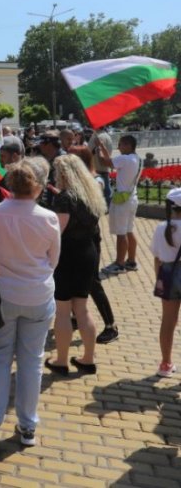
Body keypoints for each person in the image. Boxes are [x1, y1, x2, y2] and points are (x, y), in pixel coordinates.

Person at [0, 159, 60, 447]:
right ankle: (27, 426)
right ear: (38, 186)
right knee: (31, 361)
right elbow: (54, 261)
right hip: (37, 294)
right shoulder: (48, 217)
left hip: (3, 295)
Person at [45, 154, 106, 377]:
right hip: (87, 252)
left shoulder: (65, 197)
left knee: (63, 310)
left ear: (63, 173)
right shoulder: (90, 194)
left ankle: (61, 361)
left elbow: (57, 232)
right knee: (82, 307)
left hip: (68, 255)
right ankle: (88, 359)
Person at [68, 145, 119, 344]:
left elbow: (91, 208)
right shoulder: (76, 181)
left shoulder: (94, 180)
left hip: (89, 239)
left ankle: (111, 325)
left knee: (93, 282)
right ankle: (75, 317)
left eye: (72, 157)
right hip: (75, 239)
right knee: (75, 279)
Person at [97, 135, 142, 275]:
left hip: (123, 201)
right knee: (129, 230)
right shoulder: (137, 158)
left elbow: (106, 163)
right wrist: (103, 147)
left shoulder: (125, 159)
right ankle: (131, 261)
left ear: (128, 145)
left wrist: (97, 151)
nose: (118, 147)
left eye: (121, 145)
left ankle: (119, 264)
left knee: (121, 234)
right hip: (132, 198)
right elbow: (111, 161)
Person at [151, 188, 181, 377]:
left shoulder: (162, 227)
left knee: (168, 321)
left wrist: (158, 278)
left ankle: (165, 363)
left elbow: (157, 258)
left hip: (168, 274)